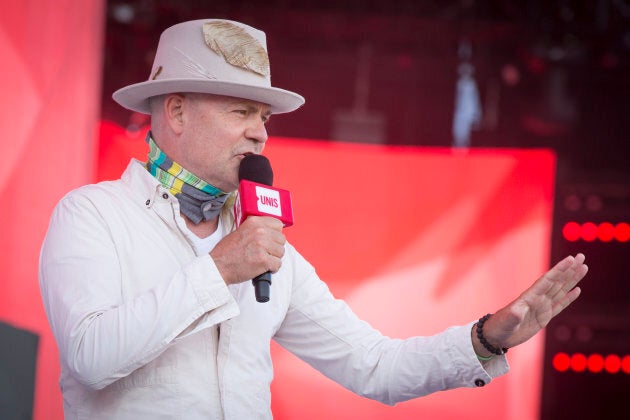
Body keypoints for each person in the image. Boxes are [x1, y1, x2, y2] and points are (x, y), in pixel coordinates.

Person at [39, 19, 588, 419]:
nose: (260, 132)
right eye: (241, 111)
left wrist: (485, 340)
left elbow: (376, 365)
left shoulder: (263, 245)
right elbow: (91, 357)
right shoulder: (93, 215)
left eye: (263, 116)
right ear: (177, 111)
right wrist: (218, 271)